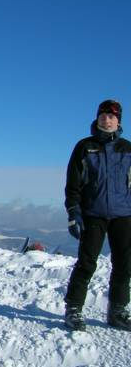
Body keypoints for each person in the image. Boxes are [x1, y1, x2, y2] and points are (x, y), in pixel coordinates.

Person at [64, 99, 131, 332]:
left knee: (124, 265)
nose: (107, 119)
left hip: (124, 215)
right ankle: (73, 309)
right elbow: (73, 183)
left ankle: (118, 311)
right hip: (93, 214)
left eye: (112, 116)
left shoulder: (128, 149)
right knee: (86, 263)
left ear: (118, 121)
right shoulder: (85, 147)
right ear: (97, 118)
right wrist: (73, 212)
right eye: (103, 116)